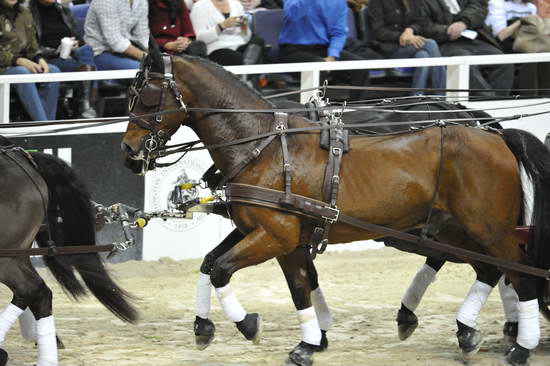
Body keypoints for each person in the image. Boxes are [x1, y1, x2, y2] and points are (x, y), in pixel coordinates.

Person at [279, 0, 374, 101]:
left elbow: (339, 32)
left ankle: (359, 108)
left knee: (360, 67)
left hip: (323, 48)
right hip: (293, 49)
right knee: (319, 65)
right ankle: (314, 111)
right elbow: (293, 15)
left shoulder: (338, 2)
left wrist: (332, 56)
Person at [418, 0, 514, 96]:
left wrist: (464, 22)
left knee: (505, 63)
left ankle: (498, 103)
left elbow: (479, 6)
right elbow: (422, 25)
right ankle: (488, 104)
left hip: (475, 37)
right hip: (445, 42)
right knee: (466, 64)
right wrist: (446, 31)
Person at [29, 0, 97, 118]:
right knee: (82, 67)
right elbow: (31, 46)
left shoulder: (63, 10)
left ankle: (85, 103)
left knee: (86, 49)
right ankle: (83, 105)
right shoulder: (28, 12)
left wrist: (76, 43)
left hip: (70, 54)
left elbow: (78, 37)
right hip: (45, 58)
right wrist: (56, 51)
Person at [0, 0, 60, 121]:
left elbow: (32, 47)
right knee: (21, 73)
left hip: (20, 65)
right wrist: (16, 60)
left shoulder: (24, 12)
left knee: (53, 71)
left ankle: (46, 126)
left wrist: (39, 58)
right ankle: (43, 127)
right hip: (5, 66)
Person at [369, 0, 446, 93]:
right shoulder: (376, 2)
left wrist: (410, 30)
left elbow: (419, 21)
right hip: (387, 48)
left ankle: (416, 97)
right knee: (430, 44)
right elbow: (378, 31)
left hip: (409, 43)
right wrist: (400, 36)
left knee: (423, 56)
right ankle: (442, 94)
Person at [485, 0, 550, 96]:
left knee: (543, 57)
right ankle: (530, 98)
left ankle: (544, 99)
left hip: (528, 45)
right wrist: (521, 21)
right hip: (503, 46)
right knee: (530, 61)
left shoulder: (530, 6)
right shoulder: (497, 3)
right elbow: (500, 36)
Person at [190, 0, 265, 66]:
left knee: (258, 41)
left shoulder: (236, 4)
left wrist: (243, 27)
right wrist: (221, 26)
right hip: (217, 47)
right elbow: (200, 39)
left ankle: (245, 73)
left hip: (238, 44)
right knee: (237, 58)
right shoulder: (199, 7)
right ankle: (247, 74)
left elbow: (245, 37)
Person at [84, 0, 149, 70]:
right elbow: (114, 41)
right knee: (145, 71)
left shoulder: (141, 2)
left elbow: (142, 36)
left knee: (157, 68)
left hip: (126, 50)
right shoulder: (105, 1)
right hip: (100, 52)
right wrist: (146, 58)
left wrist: (157, 57)